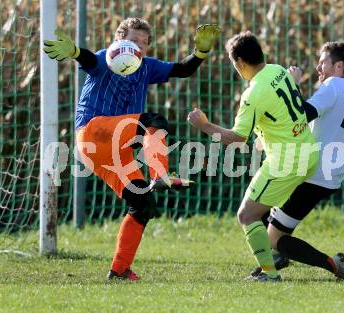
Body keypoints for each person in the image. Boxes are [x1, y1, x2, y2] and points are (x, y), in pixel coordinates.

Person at [43, 18, 220, 281]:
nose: (139, 46)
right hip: (94, 133)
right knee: (154, 121)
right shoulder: (109, 57)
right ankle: (159, 174)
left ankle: (119, 270)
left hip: (114, 151)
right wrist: (75, 52)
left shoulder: (146, 66)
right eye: (134, 40)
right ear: (119, 41)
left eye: (144, 42)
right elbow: (91, 60)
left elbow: (182, 70)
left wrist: (201, 52)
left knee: (142, 205)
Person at [188, 31, 318, 282]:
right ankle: (275, 252)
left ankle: (270, 273)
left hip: (286, 162)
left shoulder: (253, 94)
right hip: (307, 152)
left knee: (247, 215)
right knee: (262, 211)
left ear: (239, 63)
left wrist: (204, 125)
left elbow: (237, 138)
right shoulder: (279, 70)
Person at [252, 41, 344, 282]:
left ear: (339, 66)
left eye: (323, 62)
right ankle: (277, 257)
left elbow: (301, 113)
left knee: (271, 232)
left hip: (313, 172)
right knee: (261, 203)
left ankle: (335, 265)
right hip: (326, 174)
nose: (318, 67)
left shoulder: (332, 86)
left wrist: (292, 84)